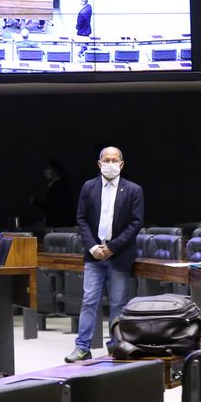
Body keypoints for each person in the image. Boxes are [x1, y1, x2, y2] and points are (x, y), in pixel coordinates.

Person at [66, 146, 144, 363]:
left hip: (119, 255)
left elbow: (136, 223)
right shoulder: (88, 187)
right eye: (106, 160)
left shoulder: (133, 190)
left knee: (118, 303)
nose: (110, 163)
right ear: (99, 163)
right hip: (94, 255)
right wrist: (93, 247)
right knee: (89, 301)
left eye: (114, 160)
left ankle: (116, 344)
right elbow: (81, 219)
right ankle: (82, 347)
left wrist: (112, 248)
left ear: (122, 164)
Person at [32, 159, 73, 227]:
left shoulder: (57, 186)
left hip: (58, 226)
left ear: (54, 170)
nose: (46, 171)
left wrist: (35, 201)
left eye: (48, 168)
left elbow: (52, 207)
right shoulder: (61, 184)